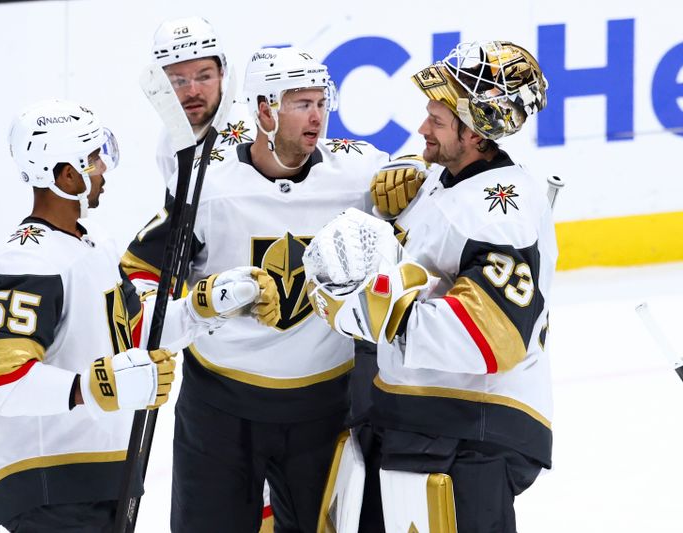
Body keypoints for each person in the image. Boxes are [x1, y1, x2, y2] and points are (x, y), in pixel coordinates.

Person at [0, 99, 280, 532]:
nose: (103, 169)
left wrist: (200, 308)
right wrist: (90, 387)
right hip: (47, 481)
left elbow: (133, 335)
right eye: (93, 159)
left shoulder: (92, 242)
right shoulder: (27, 258)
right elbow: (1, 381)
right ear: (65, 175)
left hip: (105, 474)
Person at [121, 47, 390, 533]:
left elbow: (424, 192)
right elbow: (138, 283)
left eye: (321, 101)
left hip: (326, 410)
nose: (317, 116)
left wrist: (413, 175)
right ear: (264, 110)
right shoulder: (207, 182)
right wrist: (197, 307)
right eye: (301, 103)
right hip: (219, 413)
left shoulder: (360, 176)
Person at [305, 41, 555, 532]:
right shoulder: (447, 181)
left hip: (470, 435)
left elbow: (493, 336)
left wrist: (370, 312)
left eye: (437, 121)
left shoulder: (500, 212)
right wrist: (394, 210)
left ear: (478, 132)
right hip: (419, 424)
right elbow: (422, 263)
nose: (423, 129)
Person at [147, 16, 256, 188]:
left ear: (222, 72)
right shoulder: (168, 141)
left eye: (204, 77)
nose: (192, 91)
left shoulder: (256, 126)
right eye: (179, 81)